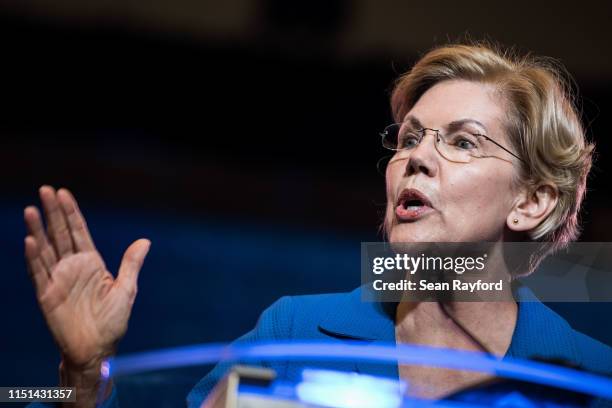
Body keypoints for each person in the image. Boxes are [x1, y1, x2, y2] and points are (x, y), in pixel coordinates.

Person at [25, 41, 612, 407]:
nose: (417, 158)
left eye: (462, 141)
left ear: (531, 203)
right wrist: (81, 374)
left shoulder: (591, 379)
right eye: (409, 139)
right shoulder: (293, 332)